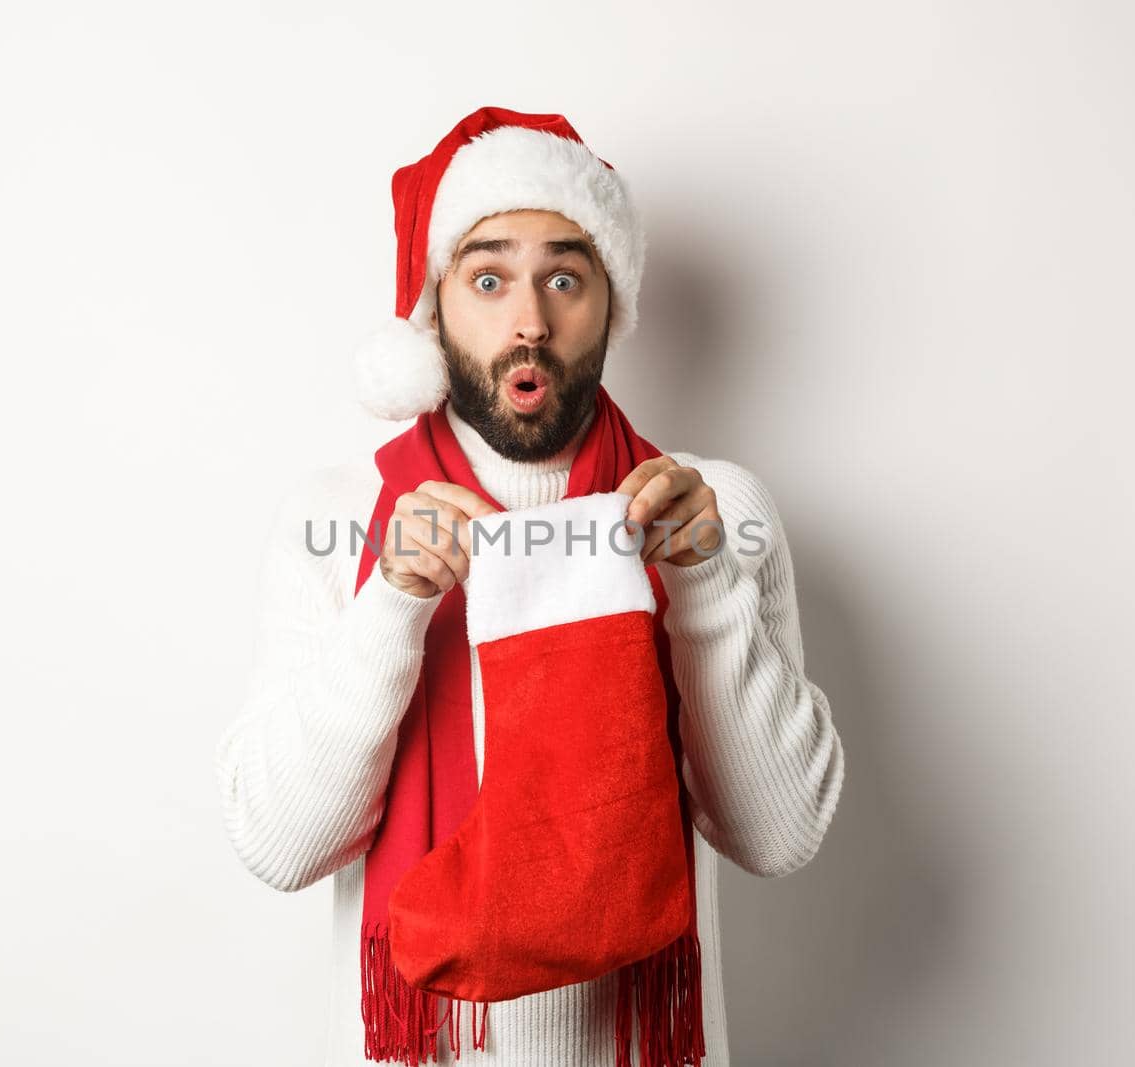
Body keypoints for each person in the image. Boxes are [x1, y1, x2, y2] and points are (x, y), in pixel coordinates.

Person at [214, 106, 846, 1067]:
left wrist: (707, 587)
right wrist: (392, 602)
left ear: (612, 302)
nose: (529, 320)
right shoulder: (336, 519)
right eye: (487, 277)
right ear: (436, 308)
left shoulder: (713, 512)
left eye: (564, 276)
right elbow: (280, 844)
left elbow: (779, 834)